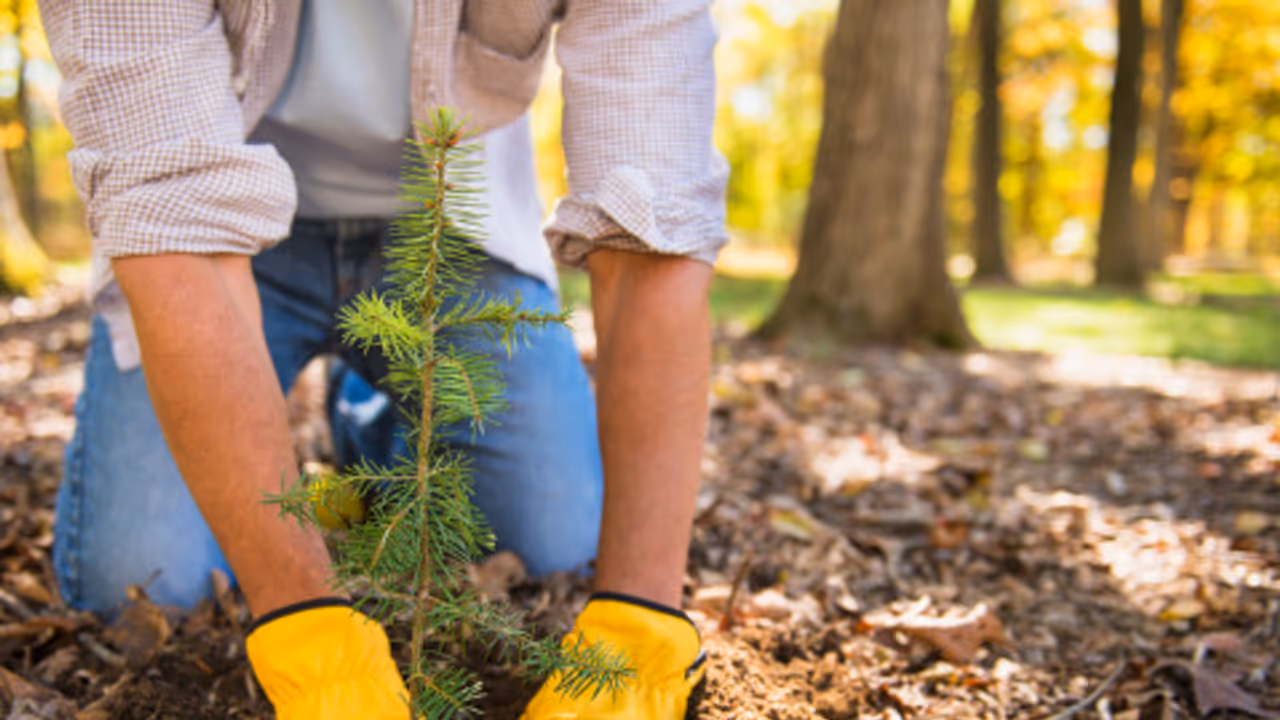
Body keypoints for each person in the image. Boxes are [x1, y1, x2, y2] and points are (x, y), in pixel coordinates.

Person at [39, 0, 726, 717]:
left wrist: (637, 621)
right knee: (142, 583)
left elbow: (656, 219)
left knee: (552, 539)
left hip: (449, 226)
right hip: (221, 227)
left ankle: (366, 418)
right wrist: (303, 625)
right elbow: (171, 212)